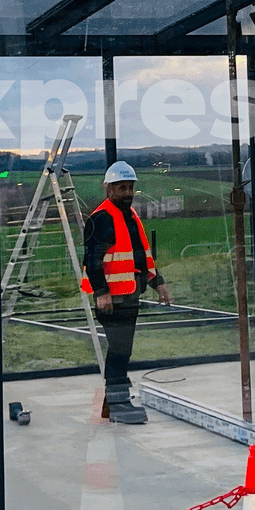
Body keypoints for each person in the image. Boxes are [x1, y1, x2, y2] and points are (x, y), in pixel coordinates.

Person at [82, 160, 170, 424]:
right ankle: (119, 401)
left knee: (123, 348)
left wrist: (158, 283)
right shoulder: (101, 219)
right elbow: (92, 260)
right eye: (122, 188)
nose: (128, 193)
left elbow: (141, 257)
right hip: (111, 299)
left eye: (130, 188)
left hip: (130, 295)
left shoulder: (130, 217)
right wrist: (101, 292)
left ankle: (114, 403)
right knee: (120, 348)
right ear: (109, 189)